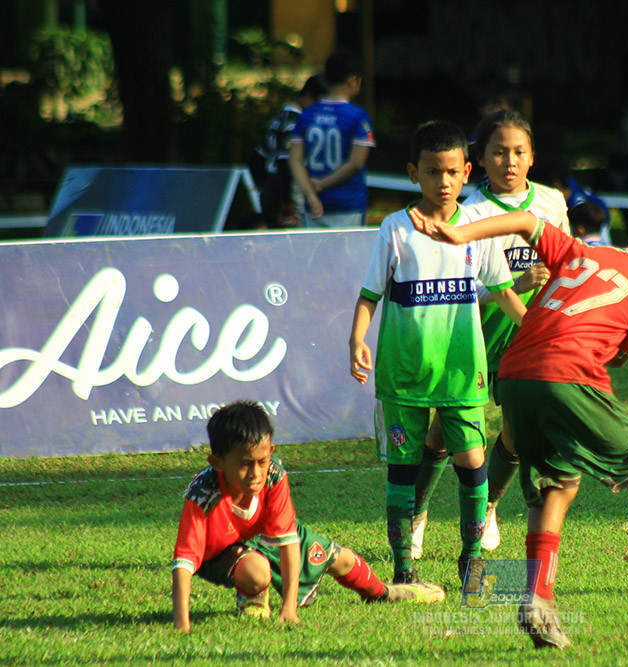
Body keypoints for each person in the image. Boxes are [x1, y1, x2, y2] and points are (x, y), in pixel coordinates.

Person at [419, 197, 628, 649]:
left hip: (516, 370)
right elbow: (618, 355)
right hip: (570, 375)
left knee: (555, 484)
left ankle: (537, 599)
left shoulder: (582, 250)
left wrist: (461, 234)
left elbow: (526, 220)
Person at [348, 120, 527, 585]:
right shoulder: (394, 230)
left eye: (451, 171)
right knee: (403, 470)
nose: (442, 182)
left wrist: (537, 330)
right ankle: (403, 569)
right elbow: (370, 294)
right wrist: (356, 340)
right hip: (404, 374)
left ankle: (471, 560)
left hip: (461, 372)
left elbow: (504, 292)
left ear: (466, 172)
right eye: (431, 172)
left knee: (471, 459)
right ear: (413, 173)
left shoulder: (479, 229)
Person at [408, 110, 570, 563]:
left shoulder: (552, 204)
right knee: (443, 433)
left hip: (529, 337)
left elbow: (569, 262)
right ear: (479, 159)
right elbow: (450, 283)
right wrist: (512, 285)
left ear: (533, 157)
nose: (509, 161)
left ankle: (490, 505)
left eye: (519, 152)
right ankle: (416, 512)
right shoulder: (469, 211)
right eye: (499, 152)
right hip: (472, 336)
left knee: (518, 432)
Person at [171, 400, 445, 634]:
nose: (255, 473)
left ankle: (386, 593)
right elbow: (183, 563)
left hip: (264, 538)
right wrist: (182, 625)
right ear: (216, 462)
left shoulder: (274, 475)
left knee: (342, 558)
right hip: (221, 553)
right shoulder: (202, 495)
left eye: (261, 461)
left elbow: (288, 540)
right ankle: (252, 596)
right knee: (256, 572)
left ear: (270, 453)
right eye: (244, 464)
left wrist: (289, 607)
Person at [289, 50, 374, 228]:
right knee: (349, 256)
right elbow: (356, 162)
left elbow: (294, 160)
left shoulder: (307, 115)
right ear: (353, 79)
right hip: (348, 203)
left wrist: (310, 194)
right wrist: (321, 184)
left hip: (313, 206)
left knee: (314, 256)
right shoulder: (358, 116)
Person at [249, 74, 328, 229]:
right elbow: (286, 162)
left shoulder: (281, 116)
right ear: (309, 95)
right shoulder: (295, 120)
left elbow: (258, 157)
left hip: (271, 186)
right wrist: (287, 204)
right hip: (284, 189)